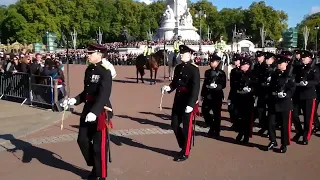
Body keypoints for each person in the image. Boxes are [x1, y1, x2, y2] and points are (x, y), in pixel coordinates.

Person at [61, 45, 113, 180]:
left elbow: (104, 95)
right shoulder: (89, 70)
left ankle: (101, 175)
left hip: (101, 111)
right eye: (88, 53)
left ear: (100, 54)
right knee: (82, 140)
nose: (88, 55)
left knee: (98, 146)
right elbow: (86, 92)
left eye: (91, 53)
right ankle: (95, 166)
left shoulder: (105, 71)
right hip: (87, 108)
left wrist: (95, 112)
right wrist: (75, 100)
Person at [161, 45, 200, 162]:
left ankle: (185, 152)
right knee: (174, 124)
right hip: (178, 99)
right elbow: (175, 83)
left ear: (190, 55)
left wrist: (191, 104)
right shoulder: (178, 68)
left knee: (187, 128)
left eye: (184, 53)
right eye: (181, 53)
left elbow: (195, 87)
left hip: (188, 101)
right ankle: (184, 145)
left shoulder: (194, 69)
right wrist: (168, 88)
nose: (181, 55)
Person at [267, 55, 296, 153]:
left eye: (280, 63)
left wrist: (285, 94)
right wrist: (273, 93)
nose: (278, 65)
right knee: (271, 123)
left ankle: (284, 144)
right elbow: (271, 87)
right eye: (278, 63)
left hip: (284, 103)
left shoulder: (290, 75)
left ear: (286, 64)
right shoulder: (275, 74)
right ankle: (273, 140)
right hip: (274, 101)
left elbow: (292, 89)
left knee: (284, 125)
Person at [291, 50, 319, 145]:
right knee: (294, 114)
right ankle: (299, 131)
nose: (302, 58)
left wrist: (307, 83)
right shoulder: (299, 67)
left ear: (310, 59)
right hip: (298, 95)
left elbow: (316, 81)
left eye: (305, 57)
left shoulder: (315, 68)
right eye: (302, 57)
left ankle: (306, 136)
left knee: (308, 118)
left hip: (309, 95)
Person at [201, 54, 226, 138]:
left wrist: (216, 86)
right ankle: (212, 126)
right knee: (204, 111)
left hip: (217, 95)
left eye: (213, 61)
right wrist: (202, 94)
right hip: (208, 94)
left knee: (216, 114)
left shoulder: (221, 73)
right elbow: (205, 83)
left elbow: (223, 84)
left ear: (218, 62)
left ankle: (216, 131)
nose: (211, 63)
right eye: (210, 61)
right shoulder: (207, 72)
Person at [234, 57, 256, 143]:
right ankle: (240, 132)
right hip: (239, 97)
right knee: (238, 116)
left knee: (246, 118)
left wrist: (250, 90)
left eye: (243, 65)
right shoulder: (239, 74)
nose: (241, 66)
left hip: (248, 99)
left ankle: (245, 135)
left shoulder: (252, 74)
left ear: (248, 65)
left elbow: (255, 86)